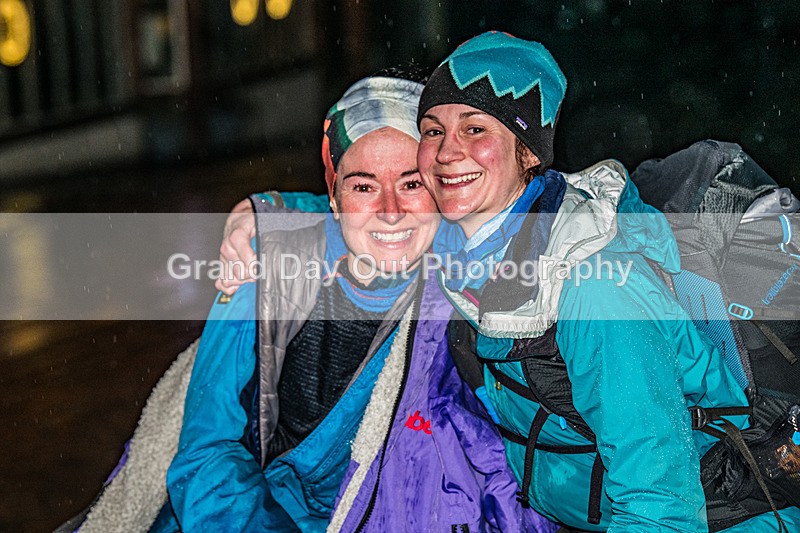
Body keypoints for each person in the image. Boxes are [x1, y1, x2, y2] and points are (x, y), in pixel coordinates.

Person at [221, 32, 800, 532]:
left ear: (528, 154)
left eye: (475, 129)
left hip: (722, 518)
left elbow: (659, 504)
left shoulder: (595, 287)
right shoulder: (473, 244)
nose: (447, 153)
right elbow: (376, 216)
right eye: (432, 130)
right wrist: (266, 214)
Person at [165, 75, 554, 532]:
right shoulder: (263, 268)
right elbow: (208, 451)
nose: (390, 211)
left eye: (412, 184)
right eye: (364, 188)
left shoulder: (470, 284)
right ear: (334, 197)